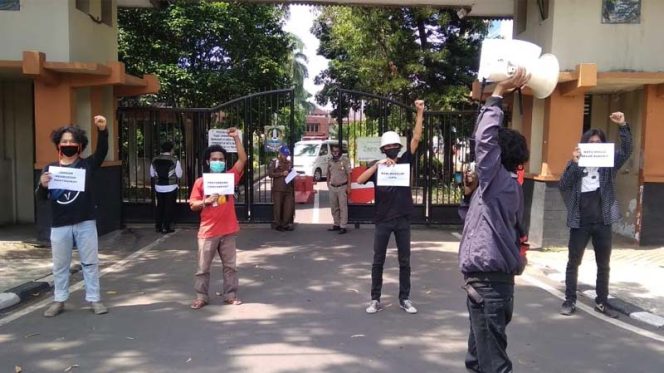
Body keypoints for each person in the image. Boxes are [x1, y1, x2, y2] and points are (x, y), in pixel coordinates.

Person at [458, 69, 530, 373]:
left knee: (493, 365)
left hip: (488, 287)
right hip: (491, 286)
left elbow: (485, 140)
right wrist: (468, 196)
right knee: (477, 360)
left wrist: (498, 92)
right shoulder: (507, 185)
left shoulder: (498, 181)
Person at [558, 111, 632, 318]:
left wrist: (623, 126)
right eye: (590, 143)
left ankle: (601, 302)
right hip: (580, 222)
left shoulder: (609, 166)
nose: (594, 146)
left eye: (598, 143)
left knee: (604, 265)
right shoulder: (575, 164)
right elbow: (563, 185)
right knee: (573, 262)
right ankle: (569, 300)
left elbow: (626, 151)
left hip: (603, 222)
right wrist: (573, 163)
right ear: (584, 145)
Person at [36, 115, 110, 317]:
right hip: (60, 224)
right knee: (60, 265)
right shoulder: (50, 169)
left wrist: (103, 131)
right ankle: (59, 300)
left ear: (80, 145)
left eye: (72, 141)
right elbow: (42, 197)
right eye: (64, 141)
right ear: (58, 145)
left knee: (90, 262)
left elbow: (102, 152)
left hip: (85, 221)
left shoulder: (86, 165)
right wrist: (42, 185)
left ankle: (94, 300)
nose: (68, 144)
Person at [357, 99, 424, 315]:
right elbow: (359, 180)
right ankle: (375, 299)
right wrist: (377, 165)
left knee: (405, 261)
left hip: (403, 219)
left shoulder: (405, 161)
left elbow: (416, 138)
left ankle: (405, 298)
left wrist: (420, 112)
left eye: (395, 146)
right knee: (378, 261)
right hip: (383, 220)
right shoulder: (379, 167)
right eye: (388, 147)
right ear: (383, 149)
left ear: (398, 148)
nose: (392, 149)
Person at [188, 128, 247, 309]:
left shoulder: (230, 177)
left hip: (228, 230)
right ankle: (201, 296)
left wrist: (236, 137)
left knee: (230, 266)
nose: (218, 162)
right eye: (214, 159)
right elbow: (193, 205)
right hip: (208, 231)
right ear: (208, 161)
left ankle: (230, 294)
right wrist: (206, 201)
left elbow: (243, 160)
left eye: (221, 159)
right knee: (203, 268)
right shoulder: (200, 182)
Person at [150, 141, 183, 233]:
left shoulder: (154, 160)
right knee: (169, 207)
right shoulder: (174, 160)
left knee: (160, 206)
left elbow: (152, 174)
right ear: (171, 149)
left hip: (158, 187)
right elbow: (179, 175)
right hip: (171, 187)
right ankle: (166, 227)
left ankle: (158, 226)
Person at [326, 143, 351, 234]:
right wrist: (328, 183)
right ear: (331, 152)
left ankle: (343, 226)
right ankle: (336, 224)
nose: (335, 153)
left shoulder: (344, 160)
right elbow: (328, 172)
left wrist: (349, 186)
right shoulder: (330, 161)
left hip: (342, 187)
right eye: (333, 151)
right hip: (333, 187)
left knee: (343, 207)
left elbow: (349, 174)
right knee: (334, 207)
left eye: (337, 151)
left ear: (340, 151)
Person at [268, 145, 295, 231]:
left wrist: (293, 174)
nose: (285, 156)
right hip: (278, 189)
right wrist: (281, 174)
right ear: (280, 153)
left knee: (288, 207)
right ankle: (278, 225)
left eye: (287, 155)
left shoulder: (289, 162)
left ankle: (285, 224)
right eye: (284, 154)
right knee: (278, 208)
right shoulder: (275, 162)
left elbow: (291, 173)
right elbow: (270, 174)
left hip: (288, 189)